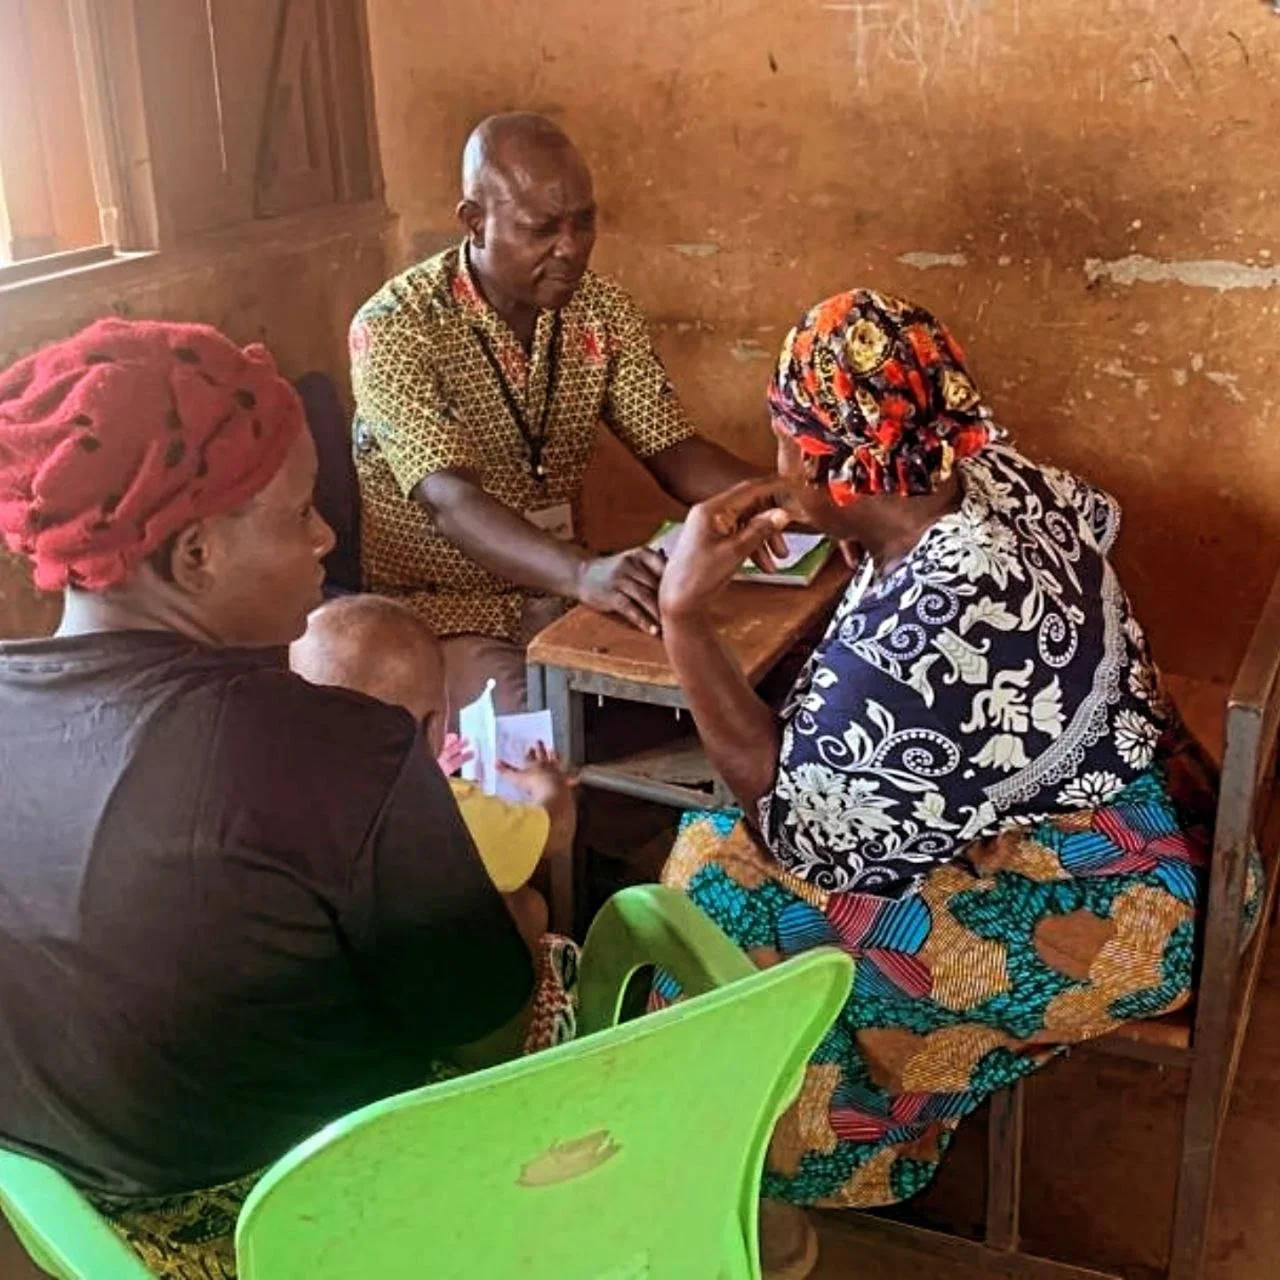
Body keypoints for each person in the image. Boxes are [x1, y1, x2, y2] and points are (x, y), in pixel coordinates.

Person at [651, 290, 1262, 1274]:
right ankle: (826, 1113)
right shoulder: (985, 470)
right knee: (729, 866)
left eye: (780, 440)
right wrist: (862, 546)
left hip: (1117, 916)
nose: (772, 466)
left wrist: (684, 614)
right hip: (1155, 820)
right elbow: (1093, 522)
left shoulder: (908, 640)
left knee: (723, 897)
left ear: (823, 463)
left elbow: (794, 831)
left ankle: (778, 1164)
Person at [0, 320, 549, 1279]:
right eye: (300, 514)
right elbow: (485, 1028)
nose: (327, 537)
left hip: (75, 1227)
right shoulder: (338, 750)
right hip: (312, 1223)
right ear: (197, 556)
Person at [350, 111, 769, 719]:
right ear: (474, 222)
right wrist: (582, 574)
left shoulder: (599, 309)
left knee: (728, 677)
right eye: (542, 227)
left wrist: (787, 501)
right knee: (539, 743)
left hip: (568, 593)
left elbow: (674, 450)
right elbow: (449, 501)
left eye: (584, 222)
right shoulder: (396, 327)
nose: (570, 248)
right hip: (443, 613)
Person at [290, 593, 577, 945]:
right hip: (414, 981)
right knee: (529, 906)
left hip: (326, 971)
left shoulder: (277, 795)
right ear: (434, 725)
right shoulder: (448, 810)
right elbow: (556, 832)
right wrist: (548, 784)